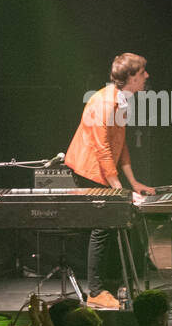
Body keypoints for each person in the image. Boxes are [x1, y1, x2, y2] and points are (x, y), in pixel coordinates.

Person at [64, 52, 156, 309]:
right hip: (89, 170)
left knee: (115, 223)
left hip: (104, 169)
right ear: (130, 78)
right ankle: (95, 292)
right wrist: (120, 191)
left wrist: (133, 183)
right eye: (142, 73)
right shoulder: (104, 104)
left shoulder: (122, 99)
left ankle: (114, 281)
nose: (146, 76)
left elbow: (120, 144)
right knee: (102, 227)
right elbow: (103, 150)